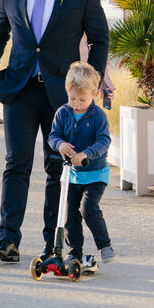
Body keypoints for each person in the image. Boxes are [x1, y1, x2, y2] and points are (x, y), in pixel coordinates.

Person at [0, 0, 109, 263]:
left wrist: (90, 82)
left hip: (62, 97)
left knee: (57, 167)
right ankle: (8, 241)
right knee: (16, 163)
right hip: (20, 90)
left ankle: (52, 244)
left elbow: (99, 38)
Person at [47, 62, 114, 265]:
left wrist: (86, 154)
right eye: (72, 98)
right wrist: (60, 145)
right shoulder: (63, 113)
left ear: (94, 93)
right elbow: (53, 136)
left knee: (88, 208)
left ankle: (104, 245)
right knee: (69, 216)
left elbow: (104, 141)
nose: (76, 103)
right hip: (71, 175)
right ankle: (74, 252)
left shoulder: (98, 116)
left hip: (95, 173)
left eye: (82, 99)